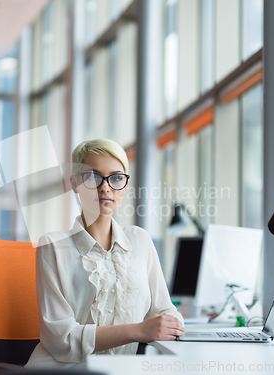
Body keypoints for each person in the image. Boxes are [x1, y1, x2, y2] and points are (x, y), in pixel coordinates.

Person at [25, 139, 184, 369]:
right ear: (75, 184)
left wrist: (173, 324)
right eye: (93, 177)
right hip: (61, 370)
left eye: (117, 177)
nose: (105, 187)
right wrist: (139, 331)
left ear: (125, 185)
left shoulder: (140, 241)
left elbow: (166, 312)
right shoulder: (52, 246)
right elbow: (61, 338)